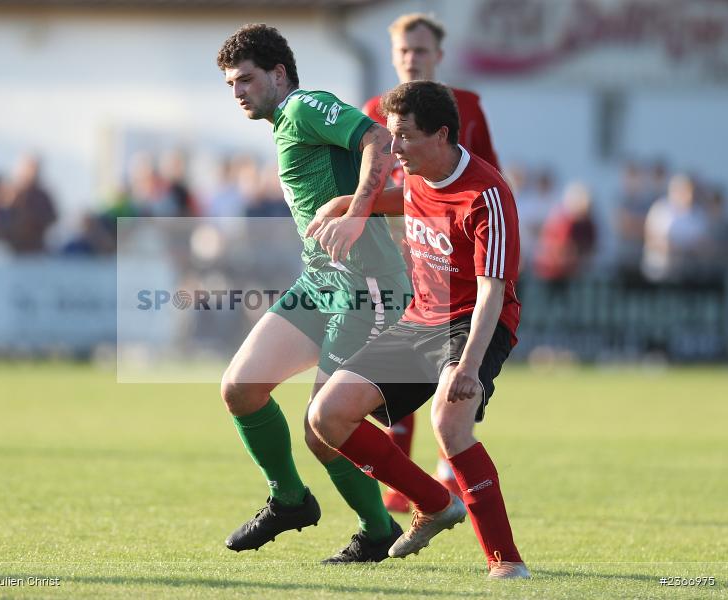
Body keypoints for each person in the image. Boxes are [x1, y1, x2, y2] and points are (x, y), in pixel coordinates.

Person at [307, 81, 530, 579]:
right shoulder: (423, 173)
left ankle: (506, 563)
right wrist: (346, 203)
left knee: (449, 426)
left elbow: (493, 293)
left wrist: (467, 367)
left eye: (404, 136)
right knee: (327, 415)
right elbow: (407, 198)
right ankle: (434, 503)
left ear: (441, 135)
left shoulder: (486, 195)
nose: (394, 147)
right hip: (420, 318)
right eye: (391, 135)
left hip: (474, 322)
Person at [216, 23, 412, 562]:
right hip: (320, 282)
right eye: (231, 84)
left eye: (246, 80)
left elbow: (377, 139)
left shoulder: (305, 105)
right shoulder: (283, 122)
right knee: (241, 388)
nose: (238, 92)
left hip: (365, 286)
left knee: (323, 427)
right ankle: (290, 501)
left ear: (279, 74)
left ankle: (378, 532)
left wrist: (356, 212)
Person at [361, 12, 501, 512]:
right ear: (393, 55)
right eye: (403, 51)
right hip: (404, 256)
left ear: (438, 56)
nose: (411, 59)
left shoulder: (467, 106)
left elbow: (484, 175)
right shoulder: (375, 110)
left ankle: (447, 467)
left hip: (458, 258)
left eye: (421, 51)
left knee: (454, 363)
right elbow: (375, 186)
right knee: (390, 362)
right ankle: (404, 476)